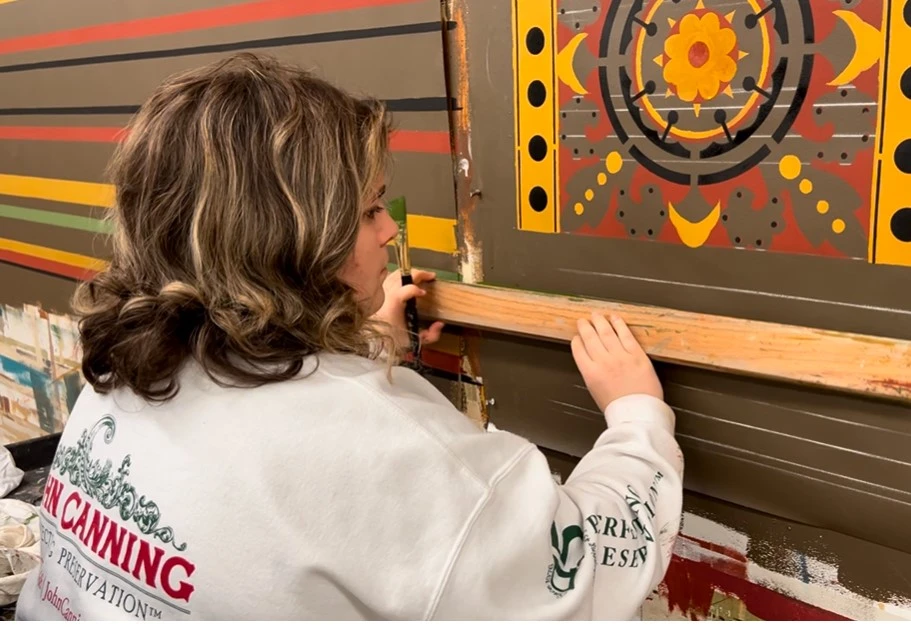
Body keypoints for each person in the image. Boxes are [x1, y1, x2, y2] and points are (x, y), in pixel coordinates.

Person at [15, 52, 683, 621]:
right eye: (368, 210)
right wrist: (636, 418)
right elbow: (583, 578)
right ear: (293, 241)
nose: (388, 230)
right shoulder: (390, 453)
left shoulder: (126, 364)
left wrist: (360, 346)